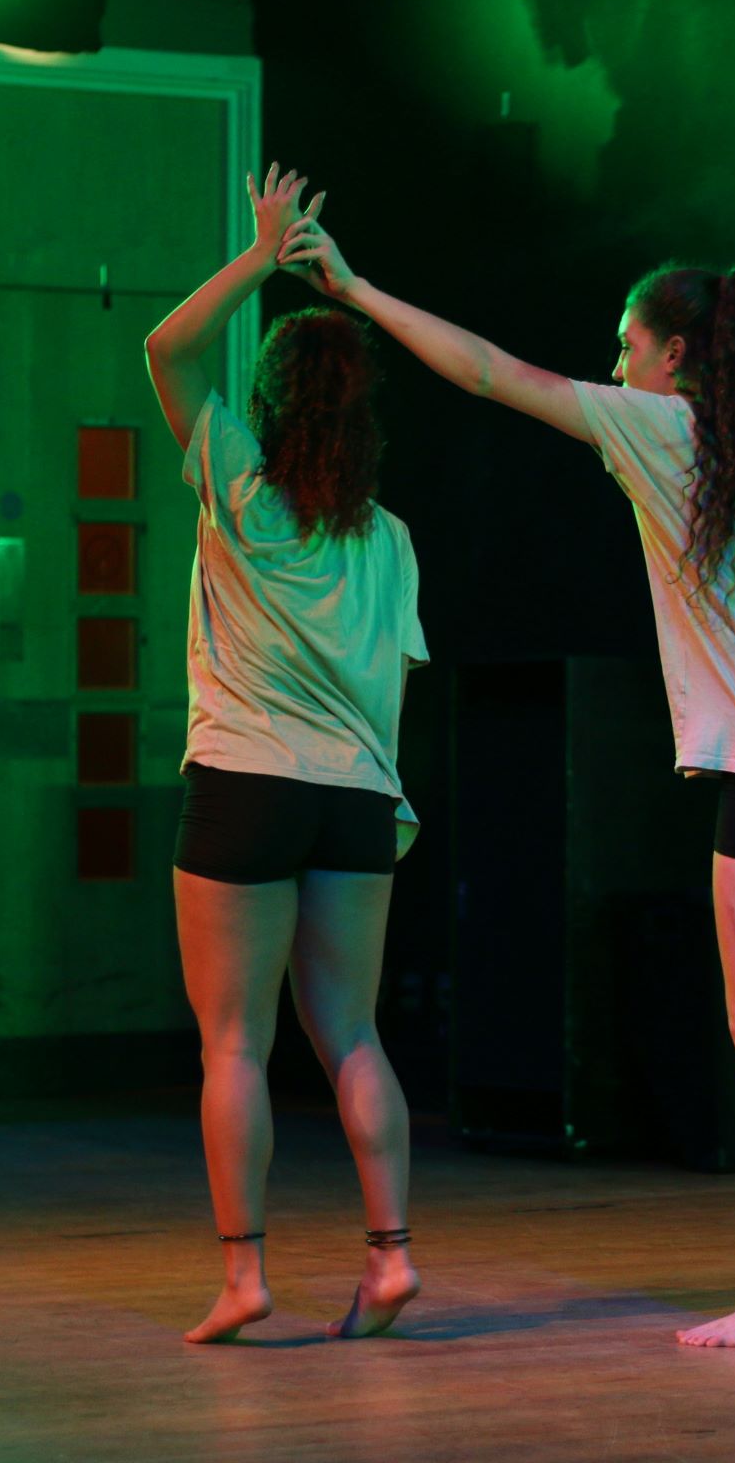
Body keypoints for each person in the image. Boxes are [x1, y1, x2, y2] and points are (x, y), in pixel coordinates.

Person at [277, 203, 735, 1349]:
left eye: (627, 343)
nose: (613, 361)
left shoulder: (657, 430)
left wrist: (355, 289)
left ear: (674, 355)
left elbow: (488, 372)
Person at [142, 167, 428, 1344]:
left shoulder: (240, 486)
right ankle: (391, 1257)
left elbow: (166, 349)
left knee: (234, 1042)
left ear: (268, 399)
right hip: (357, 802)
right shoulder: (392, 539)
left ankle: (245, 1276)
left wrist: (261, 257)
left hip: (244, 787)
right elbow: (397, 680)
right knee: (351, 1033)